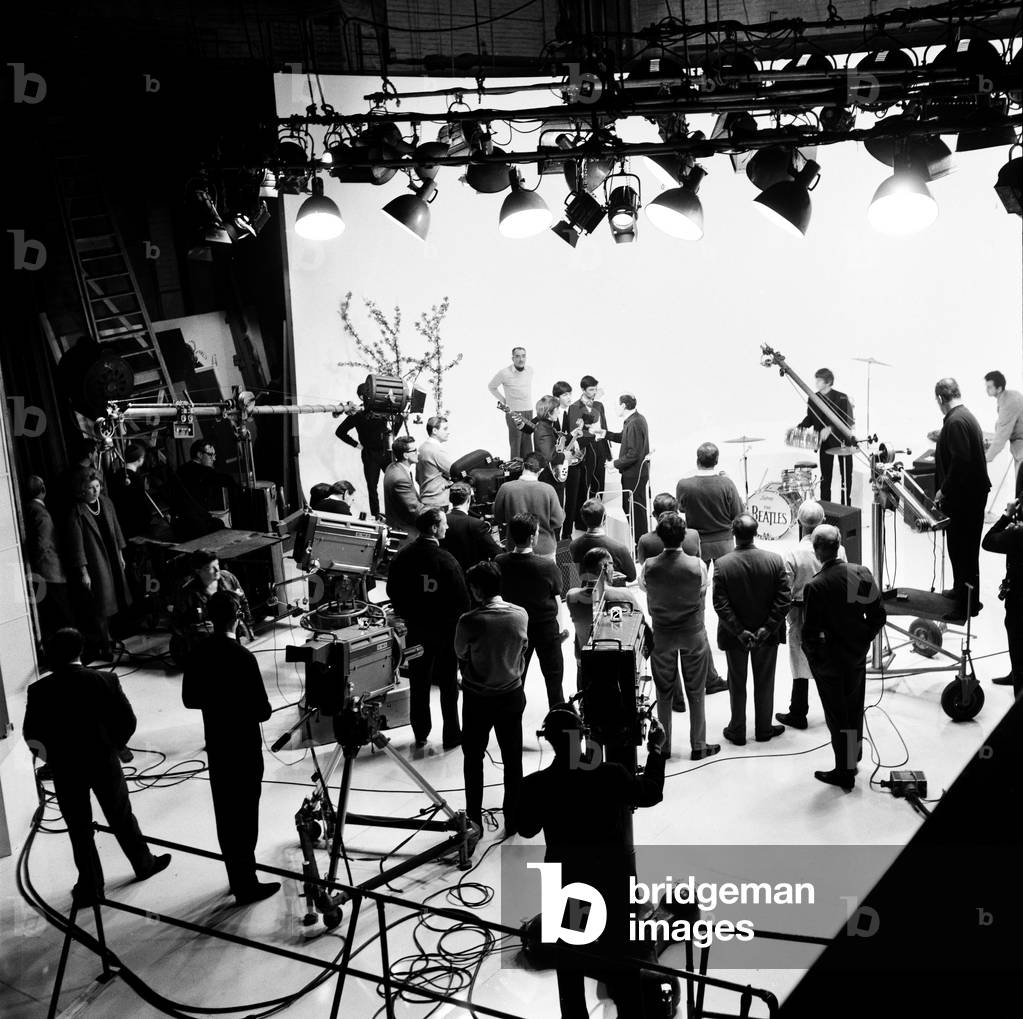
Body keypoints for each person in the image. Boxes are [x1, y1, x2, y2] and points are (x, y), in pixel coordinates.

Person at [517, 705, 667, 1019]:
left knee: (570, 966)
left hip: (569, 886)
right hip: (612, 887)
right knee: (624, 964)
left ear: (548, 740)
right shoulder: (611, 774)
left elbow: (526, 828)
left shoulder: (539, 784)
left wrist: (522, 791)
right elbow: (651, 792)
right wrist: (655, 750)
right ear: (582, 735)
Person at [23, 627, 171, 904]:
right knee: (121, 816)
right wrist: (115, 745)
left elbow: (31, 735)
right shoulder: (105, 680)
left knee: (78, 827)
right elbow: (128, 721)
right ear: (80, 651)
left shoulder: (39, 690)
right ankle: (143, 864)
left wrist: (52, 759)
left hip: (66, 768)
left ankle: (91, 886)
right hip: (103, 761)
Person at [182, 591, 279, 903]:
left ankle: (236, 876)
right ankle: (246, 884)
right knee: (246, 815)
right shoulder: (243, 657)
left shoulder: (199, 652)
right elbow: (262, 711)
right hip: (244, 748)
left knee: (226, 815)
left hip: (218, 745)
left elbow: (189, 699)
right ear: (237, 618)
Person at [802, 525, 886, 791]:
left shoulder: (816, 586)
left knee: (837, 717)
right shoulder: (857, 573)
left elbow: (810, 634)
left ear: (817, 550)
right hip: (855, 656)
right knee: (853, 710)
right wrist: (862, 640)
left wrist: (815, 660)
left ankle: (845, 771)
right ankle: (853, 756)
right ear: (838, 546)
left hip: (830, 663)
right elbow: (877, 616)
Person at [454, 561, 529, 838]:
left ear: (475, 590)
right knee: (513, 759)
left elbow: (461, 653)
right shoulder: (520, 614)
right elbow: (523, 647)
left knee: (473, 759)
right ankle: (514, 818)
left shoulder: (469, 621)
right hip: (511, 694)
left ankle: (474, 821)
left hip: (477, 699)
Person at [640, 512, 721, 761]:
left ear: (659, 536)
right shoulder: (698, 566)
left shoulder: (648, 566)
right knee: (696, 691)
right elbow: (702, 590)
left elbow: (644, 587)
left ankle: (662, 747)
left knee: (663, 693)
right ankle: (698, 745)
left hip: (662, 635)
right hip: (692, 633)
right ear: (684, 536)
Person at [386, 507, 469, 750]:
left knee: (419, 683)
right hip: (445, 633)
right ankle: (452, 734)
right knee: (448, 684)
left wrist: (408, 613)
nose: (447, 526)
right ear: (434, 528)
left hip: (416, 632)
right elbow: (462, 600)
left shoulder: (403, 556)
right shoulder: (447, 560)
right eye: (444, 523)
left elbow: (392, 590)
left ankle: (420, 732)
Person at [713, 514, 791, 745]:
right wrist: (767, 628)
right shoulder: (774, 560)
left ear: (733, 533)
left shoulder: (722, 564)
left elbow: (720, 604)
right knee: (765, 681)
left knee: (737, 682)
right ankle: (764, 729)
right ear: (756, 533)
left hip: (735, 636)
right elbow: (783, 599)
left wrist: (739, 631)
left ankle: (737, 730)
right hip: (766, 636)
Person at [777, 500, 847, 730]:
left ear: (799, 522)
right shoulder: (840, 549)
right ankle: (835, 713)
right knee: (828, 661)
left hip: (801, 614)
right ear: (824, 520)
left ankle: (798, 711)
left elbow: (785, 589)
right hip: (830, 614)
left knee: (799, 662)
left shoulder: (792, 553)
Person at [933, 377, 990, 620]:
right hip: (971, 497)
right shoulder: (965, 416)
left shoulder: (955, 422)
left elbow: (961, 461)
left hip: (964, 500)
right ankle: (965, 596)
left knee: (962, 551)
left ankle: (964, 608)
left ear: (940, 398)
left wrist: (943, 490)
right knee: (964, 551)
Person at [496, 513, 566, 707]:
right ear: (532, 537)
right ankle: (558, 718)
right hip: (545, 628)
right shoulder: (547, 566)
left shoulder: (500, 562)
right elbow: (556, 593)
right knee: (554, 680)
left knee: (516, 681)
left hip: (514, 627)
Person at [65, 469, 132, 662]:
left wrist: (120, 554)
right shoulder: (77, 512)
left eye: (97, 486)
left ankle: (111, 637)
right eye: (90, 488)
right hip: (96, 562)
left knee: (115, 599)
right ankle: (105, 643)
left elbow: (117, 528)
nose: (95, 491)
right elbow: (76, 546)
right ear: (81, 491)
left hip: (112, 557)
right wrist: (84, 572)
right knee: (101, 605)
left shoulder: (106, 502)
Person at [981, 464, 1022, 696]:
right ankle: (1016, 673)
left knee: (1017, 636)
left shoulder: (1017, 534)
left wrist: (1006, 516)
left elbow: (988, 541)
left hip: (1019, 597)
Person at [171, 550, 252, 664]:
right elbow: (176, 625)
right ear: (198, 571)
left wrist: (248, 627)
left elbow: (243, 602)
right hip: (204, 649)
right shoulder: (187, 594)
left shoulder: (228, 579)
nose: (217, 570)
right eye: (211, 567)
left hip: (231, 641)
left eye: (217, 564)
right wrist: (198, 628)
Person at [334, 383, 403, 518]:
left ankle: (399, 513)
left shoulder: (382, 410)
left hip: (387, 452)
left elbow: (399, 419)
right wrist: (356, 445)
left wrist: (394, 431)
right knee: (372, 487)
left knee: (397, 482)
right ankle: (376, 516)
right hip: (370, 455)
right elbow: (340, 432)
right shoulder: (357, 414)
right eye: (369, 393)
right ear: (362, 397)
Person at [675, 443, 745, 566]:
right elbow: (738, 513)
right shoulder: (727, 483)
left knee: (698, 577)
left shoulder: (683, 485)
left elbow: (681, 509)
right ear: (716, 461)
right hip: (724, 542)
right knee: (726, 577)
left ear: (697, 460)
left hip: (696, 542)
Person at [567, 547, 644, 657]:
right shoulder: (625, 594)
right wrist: (610, 585)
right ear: (606, 568)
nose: (614, 568)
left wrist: (606, 582)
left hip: (585, 659)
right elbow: (641, 621)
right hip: (617, 658)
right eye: (612, 564)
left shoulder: (571, 596)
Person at [24, 475, 73, 646]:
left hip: (40, 573)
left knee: (50, 616)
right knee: (63, 614)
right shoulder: (41, 513)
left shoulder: (28, 509)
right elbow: (43, 545)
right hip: (50, 571)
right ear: (43, 489)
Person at [796, 368, 855, 505]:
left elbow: (849, 421)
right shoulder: (813, 398)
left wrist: (831, 428)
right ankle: (825, 507)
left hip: (843, 443)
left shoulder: (842, 398)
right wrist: (800, 427)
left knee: (846, 477)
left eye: (819, 380)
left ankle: (846, 506)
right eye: (816, 380)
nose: (816, 383)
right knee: (825, 477)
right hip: (824, 443)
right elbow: (810, 418)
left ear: (828, 382)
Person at [493, 452, 565, 558]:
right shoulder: (548, 490)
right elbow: (558, 521)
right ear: (541, 470)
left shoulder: (505, 488)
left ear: (523, 465)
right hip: (544, 549)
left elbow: (499, 517)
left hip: (515, 548)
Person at [605, 393, 650, 541]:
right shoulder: (635, 419)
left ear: (623, 406)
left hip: (633, 475)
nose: (614, 409)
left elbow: (633, 454)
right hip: (635, 473)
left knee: (635, 511)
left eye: (616, 405)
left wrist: (614, 464)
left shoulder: (634, 423)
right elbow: (623, 438)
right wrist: (604, 433)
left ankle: (640, 543)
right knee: (633, 508)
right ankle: (640, 541)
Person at [567, 377, 611, 514]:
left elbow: (604, 426)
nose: (594, 392)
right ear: (583, 389)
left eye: (595, 389)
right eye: (591, 389)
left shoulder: (599, 405)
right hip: (586, 448)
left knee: (600, 482)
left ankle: (597, 514)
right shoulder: (575, 407)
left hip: (600, 446)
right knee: (585, 483)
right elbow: (575, 431)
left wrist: (608, 452)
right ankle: (582, 518)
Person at [174, 438, 233, 538]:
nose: (214, 459)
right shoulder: (204, 471)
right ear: (200, 455)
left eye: (214, 455)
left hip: (178, 525)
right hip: (196, 527)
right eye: (211, 455)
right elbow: (228, 481)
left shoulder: (181, 469)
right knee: (220, 525)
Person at [441, 482, 503, 573]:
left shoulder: (442, 520)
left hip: (448, 573)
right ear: (468, 499)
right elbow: (496, 552)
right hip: (473, 574)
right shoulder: (476, 524)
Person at [569, 498, 637, 582]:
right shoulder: (619, 548)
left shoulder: (573, 545)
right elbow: (632, 576)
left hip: (585, 588)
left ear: (583, 518)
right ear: (604, 518)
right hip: (613, 589)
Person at [488, 346, 534, 459]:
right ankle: (515, 468)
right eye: (517, 356)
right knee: (516, 443)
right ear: (512, 358)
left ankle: (529, 468)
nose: (521, 359)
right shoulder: (504, 373)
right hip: (514, 412)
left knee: (528, 443)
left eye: (523, 356)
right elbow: (491, 386)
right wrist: (504, 400)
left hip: (528, 410)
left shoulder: (530, 370)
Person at [383, 436, 425, 544]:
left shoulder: (393, 467)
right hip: (405, 534)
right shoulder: (400, 479)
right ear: (405, 455)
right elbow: (415, 509)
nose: (418, 453)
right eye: (414, 450)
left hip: (397, 527)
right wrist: (440, 514)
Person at [105, 443, 152, 538]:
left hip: (121, 521)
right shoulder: (136, 478)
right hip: (136, 523)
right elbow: (141, 503)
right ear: (140, 459)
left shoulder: (116, 475)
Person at [636, 494, 701, 562]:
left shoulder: (645, 541)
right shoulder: (693, 535)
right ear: (677, 513)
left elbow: (644, 565)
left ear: (654, 514)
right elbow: (698, 562)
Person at [531, 394, 568, 505]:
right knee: (554, 510)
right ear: (549, 413)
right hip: (549, 478)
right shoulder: (543, 429)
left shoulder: (546, 427)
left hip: (551, 476)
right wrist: (565, 456)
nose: (559, 412)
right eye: (557, 410)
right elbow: (549, 456)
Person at [983, 370, 1023, 469]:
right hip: (1018, 449)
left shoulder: (1009, 403)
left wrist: (985, 459)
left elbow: (1001, 437)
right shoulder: (1010, 396)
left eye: (989, 387)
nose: (986, 390)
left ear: (999, 388)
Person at [417, 415, 454, 506]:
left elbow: (417, 478)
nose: (448, 432)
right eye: (445, 429)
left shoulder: (422, 448)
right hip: (438, 502)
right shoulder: (437, 450)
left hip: (425, 500)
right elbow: (454, 471)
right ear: (434, 431)